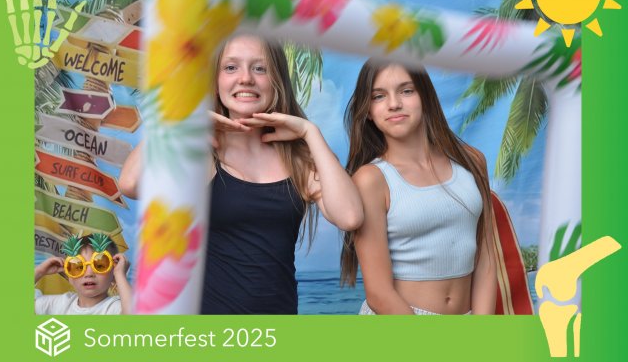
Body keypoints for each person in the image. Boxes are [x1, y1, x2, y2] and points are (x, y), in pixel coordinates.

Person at [120, 34, 363, 314]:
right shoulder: (201, 153)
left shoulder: (298, 159)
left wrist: (311, 132)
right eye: (231, 67)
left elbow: (350, 217)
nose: (246, 78)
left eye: (260, 68)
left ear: (276, 81)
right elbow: (130, 183)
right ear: (215, 82)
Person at [340, 60, 497, 315]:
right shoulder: (371, 180)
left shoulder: (472, 161)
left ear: (425, 96)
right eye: (379, 96)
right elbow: (379, 294)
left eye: (406, 90)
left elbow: (487, 258)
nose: (394, 104)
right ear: (368, 110)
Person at [34, 233, 132, 314]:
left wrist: (120, 275)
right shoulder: (60, 304)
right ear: (69, 276)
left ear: (114, 274)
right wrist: (39, 271)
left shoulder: (114, 308)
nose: (89, 273)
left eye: (99, 266)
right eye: (78, 267)